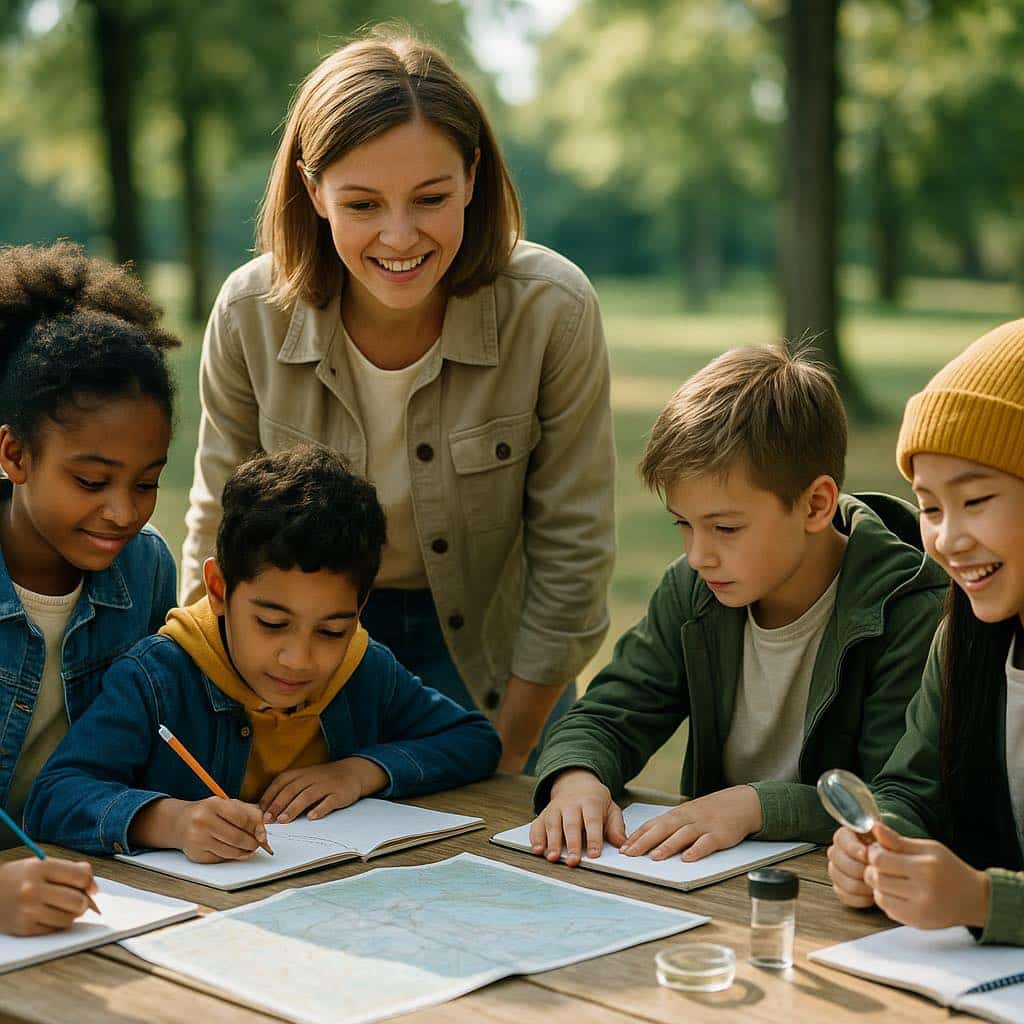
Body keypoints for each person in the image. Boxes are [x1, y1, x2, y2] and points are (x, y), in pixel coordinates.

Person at [178, 26, 615, 773]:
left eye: (430, 198)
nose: (400, 236)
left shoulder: (554, 308)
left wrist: (507, 752)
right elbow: (218, 524)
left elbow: (572, 548)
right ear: (313, 191)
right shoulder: (251, 313)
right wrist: (206, 704)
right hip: (310, 642)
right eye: (362, 203)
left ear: (472, 176)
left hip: (492, 653)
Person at [529, 345, 947, 866]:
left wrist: (755, 807)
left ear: (816, 504)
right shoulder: (693, 589)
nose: (698, 555)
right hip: (708, 879)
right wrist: (577, 777)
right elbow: (609, 714)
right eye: (683, 523)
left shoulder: (908, 610)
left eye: (725, 528)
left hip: (842, 882)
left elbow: (897, 801)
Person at [26, 446, 501, 861]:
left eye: (332, 630)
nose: (298, 659)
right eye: (272, 624)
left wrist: (360, 772)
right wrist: (171, 821)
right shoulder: (158, 678)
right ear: (218, 589)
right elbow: (54, 797)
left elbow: (474, 740)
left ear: (359, 610)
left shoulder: (362, 668)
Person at [827, 319, 1024, 945]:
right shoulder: (965, 636)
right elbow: (913, 785)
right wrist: (882, 843)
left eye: (976, 501)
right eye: (930, 507)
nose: (947, 538)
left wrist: (984, 900)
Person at [0, 240, 178, 933]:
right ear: (15, 454)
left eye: (147, 482)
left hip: (94, 884)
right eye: (91, 480)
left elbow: (148, 744)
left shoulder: (147, 567)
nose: (124, 512)